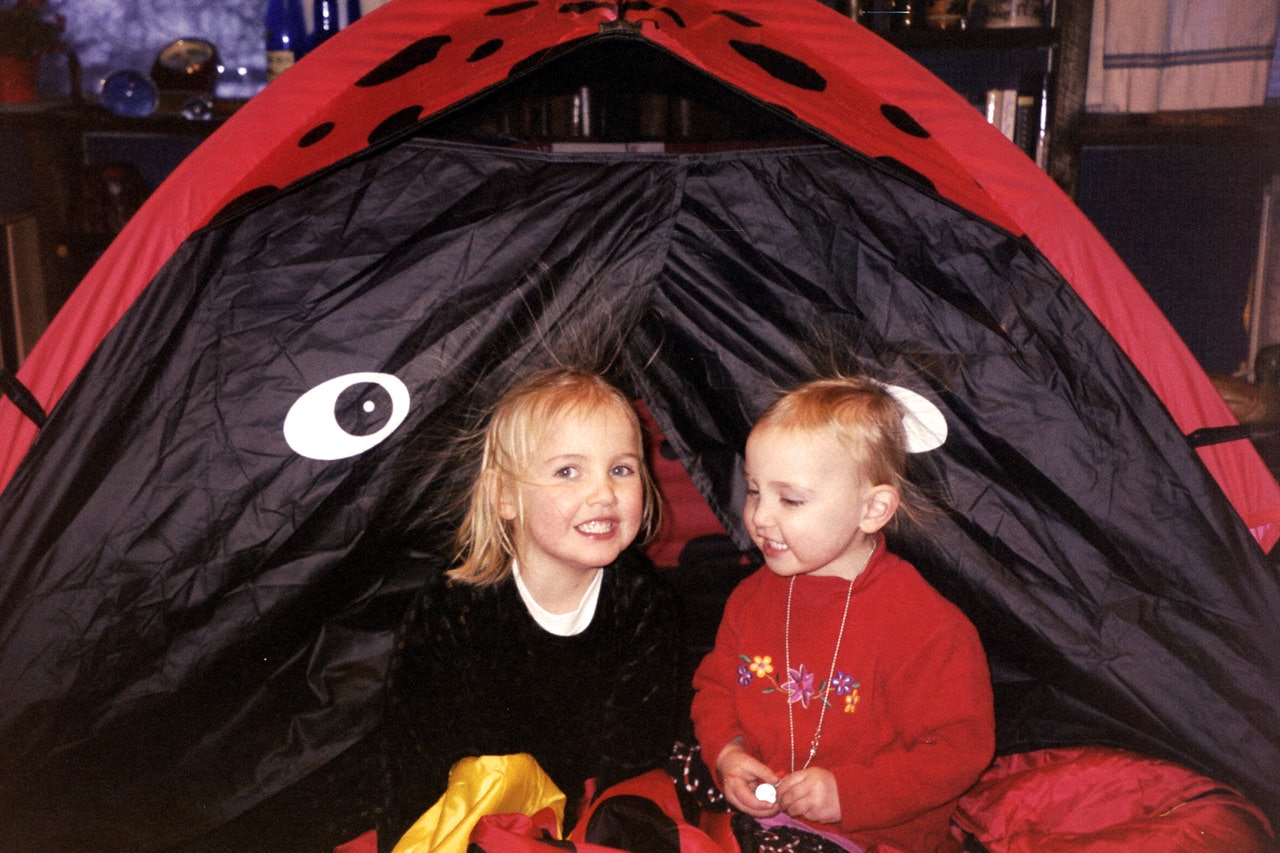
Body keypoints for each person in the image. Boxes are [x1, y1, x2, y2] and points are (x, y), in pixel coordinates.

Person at [378, 367, 683, 851]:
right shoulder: (455, 607)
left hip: (586, 813)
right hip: (481, 809)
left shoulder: (643, 600)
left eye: (621, 469)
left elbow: (633, 755)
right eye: (568, 471)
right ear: (505, 497)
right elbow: (415, 754)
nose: (603, 493)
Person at [690, 377, 995, 852]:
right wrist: (727, 753)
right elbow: (716, 688)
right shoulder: (752, 598)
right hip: (754, 816)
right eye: (753, 491)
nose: (760, 518)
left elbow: (958, 750)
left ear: (872, 509)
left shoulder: (926, 627)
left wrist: (847, 793)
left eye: (790, 500)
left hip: (868, 837)